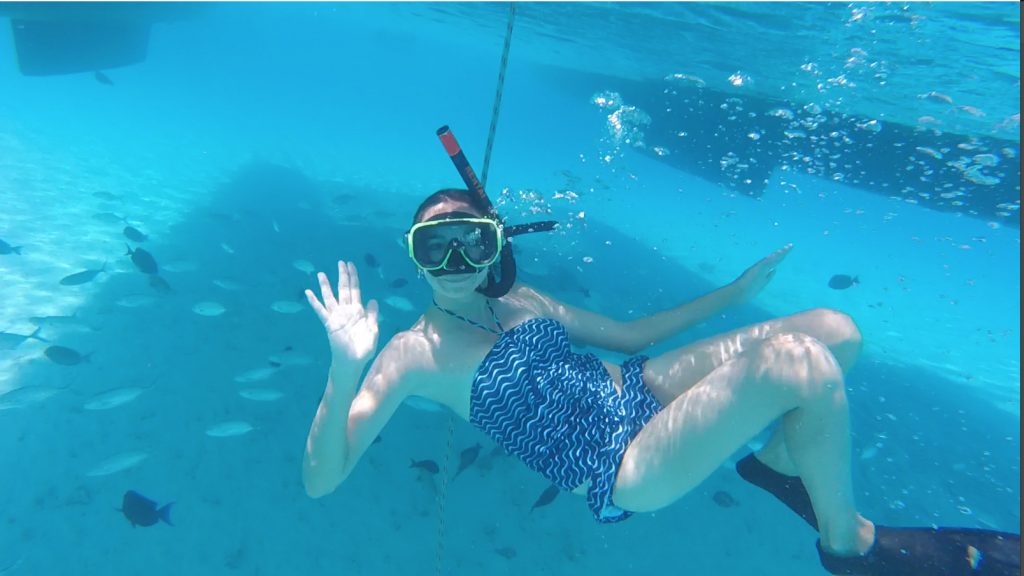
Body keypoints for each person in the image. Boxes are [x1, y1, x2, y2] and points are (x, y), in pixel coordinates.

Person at [302, 187, 1020, 576]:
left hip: (643, 388)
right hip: (620, 467)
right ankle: (850, 545)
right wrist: (344, 366)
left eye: (472, 241)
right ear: (415, 257)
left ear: (495, 246)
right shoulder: (409, 354)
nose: (455, 259)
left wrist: (734, 294)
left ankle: (774, 467)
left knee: (835, 329)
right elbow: (322, 480)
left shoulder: (521, 300)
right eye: (435, 245)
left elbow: (634, 338)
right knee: (802, 366)